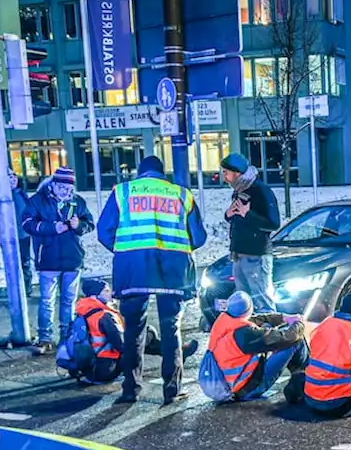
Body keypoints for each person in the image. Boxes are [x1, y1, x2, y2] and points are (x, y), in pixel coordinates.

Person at [97, 156, 207, 405]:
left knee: (133, 331)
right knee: (171, 329)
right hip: (172, 272)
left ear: (140, 173)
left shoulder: (123, 192)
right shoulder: (182, 195)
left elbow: (104, 231)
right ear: (162, 173)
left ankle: (131, 390)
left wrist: (126, 252)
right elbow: (198, 237)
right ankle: (172, 389)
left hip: (133, 270)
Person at [20, 168, 94, 354]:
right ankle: (45, 337)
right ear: (53, 184)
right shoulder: (38, 200)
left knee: (69, 300)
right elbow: (27, 223)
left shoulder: (77, 201)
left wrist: (80, 226)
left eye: (68, 187)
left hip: (73, 258)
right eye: (61, 186)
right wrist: (53, 227)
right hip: (48, 259)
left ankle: (66, 337)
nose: (64, 191)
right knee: (47, 300)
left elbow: (90, 223)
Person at [202, 291, 308, 402]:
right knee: (296, 341)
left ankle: (301, 379)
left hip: (228, 385)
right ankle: (304, 382)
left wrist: (284, 318)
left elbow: (257, 319)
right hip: (246, 390)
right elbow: (287, 337)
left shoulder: (224, 320)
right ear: (249, 310)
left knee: (267, 327)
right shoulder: (246, 334)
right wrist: (299, 323)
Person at [221, 153, 282, 313]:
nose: (224, 177)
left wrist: (247, 214)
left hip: (256, 255)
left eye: (226, 173)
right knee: (244, 303)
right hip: (239, 254)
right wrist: (228, 215)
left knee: (262, 301)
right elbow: (238, 218)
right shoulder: (239, 190)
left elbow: (273, 223)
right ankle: (249, 334)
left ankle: (270, 333)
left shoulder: (261, 190)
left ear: (237, 173)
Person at [73, 279, 124, 385]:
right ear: (94, 296)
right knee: (142, 337)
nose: (111, 293)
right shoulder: (104, 315)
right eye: (106, 291)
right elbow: (121, 345)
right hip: (106, 369)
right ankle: (167, 357)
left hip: (88, 369)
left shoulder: (82, 311)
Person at [0, 168, 33, 297]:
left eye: (14, 176)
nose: (13, 179)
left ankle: (26, 288)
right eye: (10, 176)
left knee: (25, 262)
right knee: (13, 264)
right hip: (9, 236)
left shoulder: (22, 194)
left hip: (24, 235)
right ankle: (15, 289)